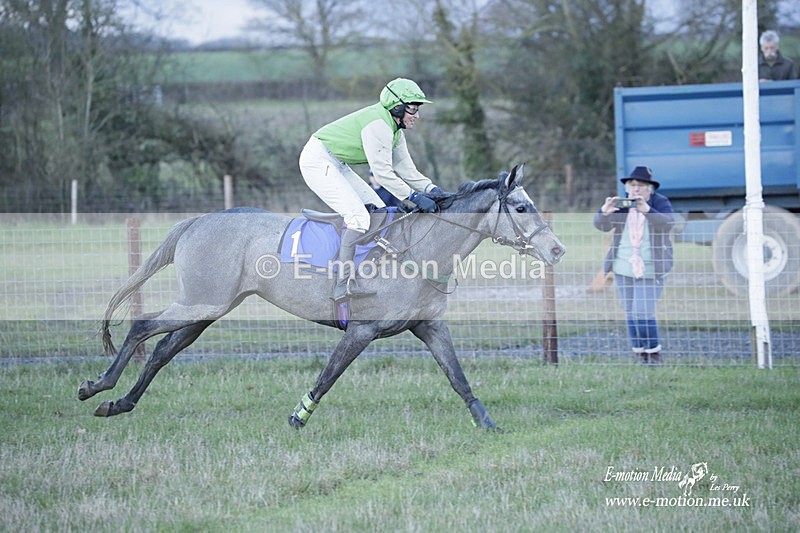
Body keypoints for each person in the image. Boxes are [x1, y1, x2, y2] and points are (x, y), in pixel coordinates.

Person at [299, 78, 441, 302]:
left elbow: (407, 170)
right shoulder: (379, 125)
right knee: (359, 218)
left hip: (336, 162)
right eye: (413, 109)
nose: (417, 115)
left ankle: (367, 270)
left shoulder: (395, 130)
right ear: (397, 107)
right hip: (317, 160)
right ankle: (342, 284)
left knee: (381, 212)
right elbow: (382, 173)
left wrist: (433, 190)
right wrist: (414, 197)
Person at [593, 166, 675, 364]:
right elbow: (601, 226)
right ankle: (640, 353)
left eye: (641, 185)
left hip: (652, 268)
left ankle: (653, 353)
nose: (636, 189)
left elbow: (668, 223)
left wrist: (647, 210)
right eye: (632, 185)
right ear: (627, 187)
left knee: (642, 312)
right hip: (623, 267)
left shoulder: (659, 202)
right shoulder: (622, 205)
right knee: (630, 312)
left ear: (650, 188)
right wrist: (604, 212)